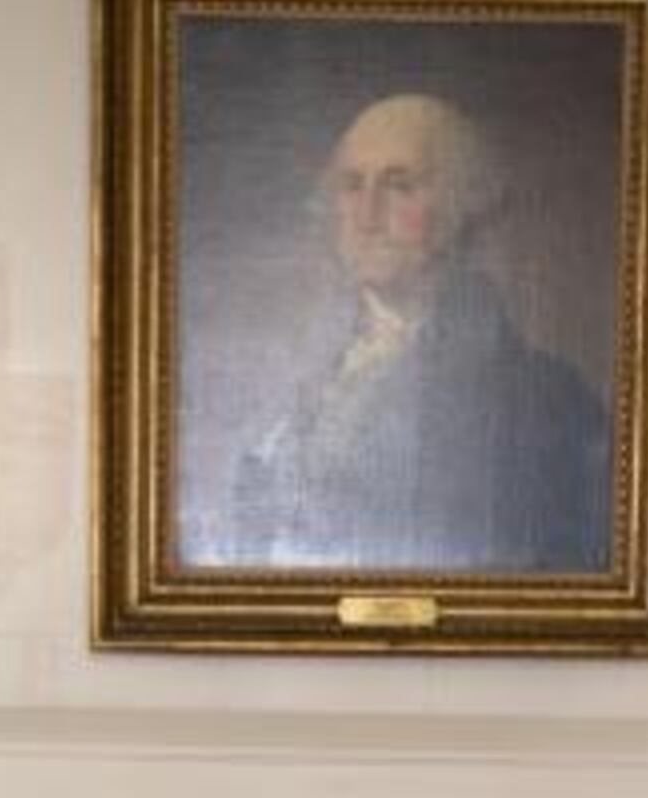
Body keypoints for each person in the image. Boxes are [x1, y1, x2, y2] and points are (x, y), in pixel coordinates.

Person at [213, 90, 611, 572]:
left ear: (459, 206)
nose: (367, 215)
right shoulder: (294, 377)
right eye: (352, 186)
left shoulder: (547, 399)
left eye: (399, 186)